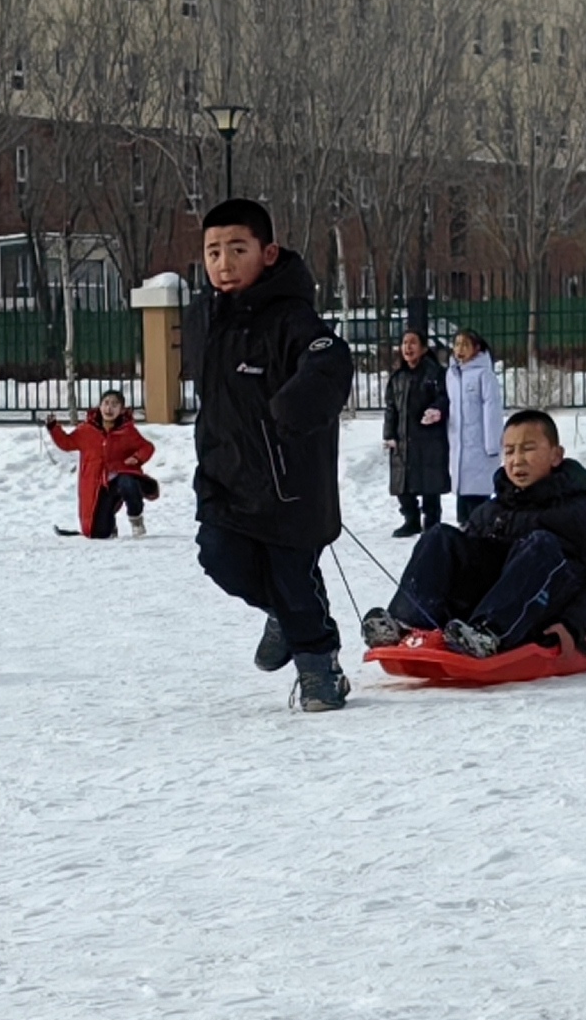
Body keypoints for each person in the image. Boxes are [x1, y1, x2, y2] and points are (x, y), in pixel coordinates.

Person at [189, 197, 356, 711]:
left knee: (292, 577)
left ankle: (320, 666)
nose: (223, 262)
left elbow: (330, 358)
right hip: (226, 479)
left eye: (237, 249)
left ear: (268, 253)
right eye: (213, 252)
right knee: (219, 557)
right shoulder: (205, 317)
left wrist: (299, 402)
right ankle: (283, 615)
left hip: (288, 485)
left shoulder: (292, 318)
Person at [362, 408, 586, 659]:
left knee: (540, 544)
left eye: (528, 449)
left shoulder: (585, 513)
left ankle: (489, 633)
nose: (517, 460)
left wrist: (574, 624)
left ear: (556, 456)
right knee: (440, 536)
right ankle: (406, 622)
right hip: (486, 608)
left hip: (545, 612)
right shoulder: (491, 511)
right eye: (509, 451)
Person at [47, 390, 159, 539]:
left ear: (121, 410)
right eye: (106, 403)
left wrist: (137, 457)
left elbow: (147, 447)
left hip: (122, 479)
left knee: (127, 482)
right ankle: (110, 525)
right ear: (99, 406)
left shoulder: (127, 431)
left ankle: (136, 520)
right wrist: (53, 428)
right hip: (99, 487)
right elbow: (67, 443)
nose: (109, 408)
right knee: (99, 534)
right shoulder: (87, 430)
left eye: (114, 405)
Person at [381, 326, 449, 536]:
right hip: (403, 438)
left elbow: (444, 397)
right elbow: (391, 408)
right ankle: (411, 519)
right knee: (402, 482)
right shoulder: (397, 377)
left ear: (424, 348)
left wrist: (436, 410)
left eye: (412, 343)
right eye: (404, 343)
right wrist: (389, 435)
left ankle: (432, 521)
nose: (407, 347)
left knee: (430, 482)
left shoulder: (435, 373)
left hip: (429, 438)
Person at [445, 328, 503, 519]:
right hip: (459, 447)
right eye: (457, 344)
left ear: (476, 348)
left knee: (478, 494)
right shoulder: (452, 375)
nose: (460, 349)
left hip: (479, 446)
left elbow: (492, 410)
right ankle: (463, 525)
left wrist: (492, 445)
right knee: (462, 494)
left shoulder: (484, 375)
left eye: (465, 345)